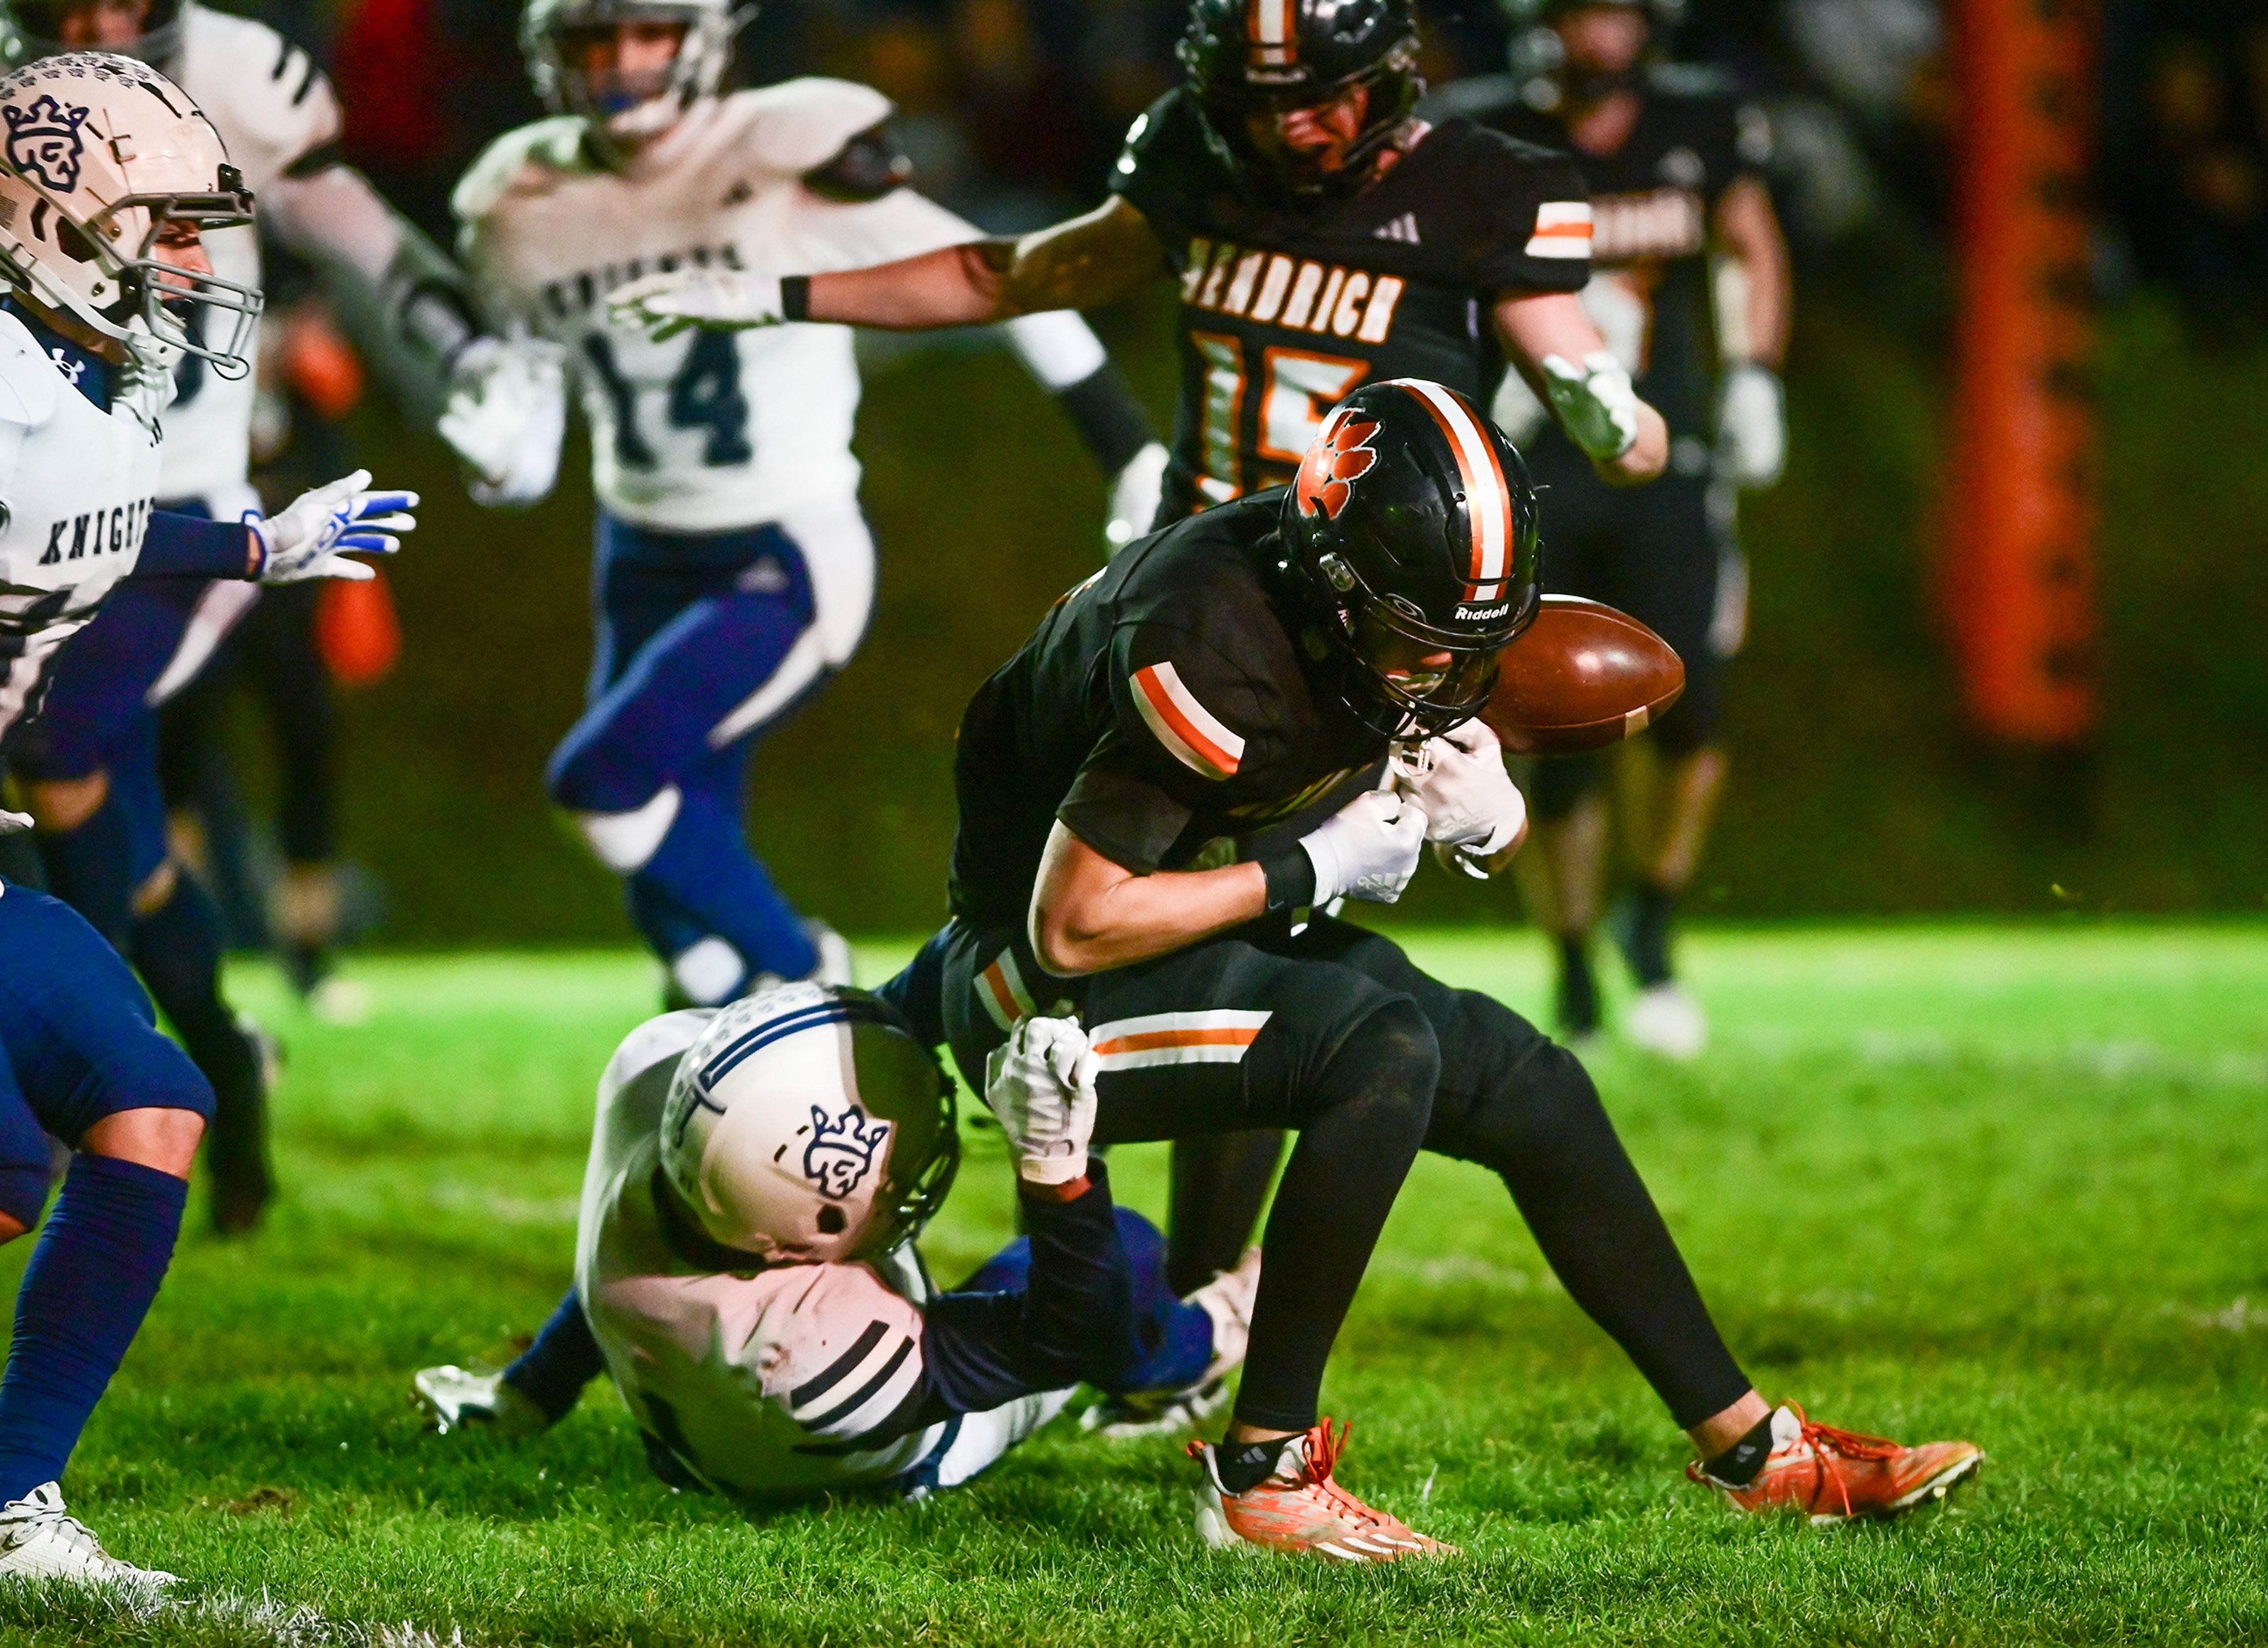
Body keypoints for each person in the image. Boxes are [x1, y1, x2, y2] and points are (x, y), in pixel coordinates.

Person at [601, 0, 1677, 1318]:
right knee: (1127, 930)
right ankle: (1135, 1281)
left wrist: (1614, 416)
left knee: (1268, 951)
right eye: (1262, 97)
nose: (1294, 126)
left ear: (1391, 77)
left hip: (1358, 641)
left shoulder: (1481, 190)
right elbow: (1014, 273)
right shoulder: (1195, 158)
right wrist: (772, 296)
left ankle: (1180, 1294)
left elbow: (1615, 420)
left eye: (1325, 94)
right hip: (1198, 601)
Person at [903, 377, 1979, 1560]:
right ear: (1338, 585)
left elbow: (1426, 733)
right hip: (1028, 995)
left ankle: (1755, 1450)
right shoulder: (1213, 644)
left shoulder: (1373, 600)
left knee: (1531, 1084)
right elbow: (1076, 923)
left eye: (1476, 641)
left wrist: (1493, 823)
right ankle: (1265, 1475)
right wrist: (1308, 869)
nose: (1445, 671)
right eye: (1423, 642)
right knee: (1381, 1048)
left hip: (1178, 938)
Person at [0, 52, 417, 1584]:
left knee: (151, 1103)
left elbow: (78, 519)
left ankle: (0, 1515)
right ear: (52, 224)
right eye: (161, 226)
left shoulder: (80, 390)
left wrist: (254, 538)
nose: (192, 261)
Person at [0, 0, 523, 1231]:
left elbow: (363, 238)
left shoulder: (242, 76)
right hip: (34, 494)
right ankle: (220, 1080)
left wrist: (467, 358)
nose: (95, 22)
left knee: (55, 743)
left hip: (176, 513)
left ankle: (94, 1080)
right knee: (109, 824)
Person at [436, 0, 1169, 1012]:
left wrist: (1125, 442)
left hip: (783, 545)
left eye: (646, 32)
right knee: (673, 913)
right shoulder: (519, 195)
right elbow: (532, 406)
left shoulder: (788, 150)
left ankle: (812, 982)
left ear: (700, 38)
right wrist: (503, 450)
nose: (620, 62)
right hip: (637, 548)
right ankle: (729, 1062)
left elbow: (1002, 276)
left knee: (605, 788)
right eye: (592, 39)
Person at [412, 983, 1263, 1500]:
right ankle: (1201, 1350)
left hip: (681, 1415)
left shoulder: (660, 1086)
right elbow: (1078, 1329)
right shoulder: (813, 1353)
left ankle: (522, 1397)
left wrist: (532, 1390)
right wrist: (1056, 1168)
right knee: (1123, 1246)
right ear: (806, 1239)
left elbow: (612, 1274)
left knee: (640, 1255)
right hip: (872, 1452)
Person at [1433, 0, 1791, 1056]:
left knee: (1696, 709)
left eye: (1617, 12)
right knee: (1558, 728)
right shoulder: (1483, 134)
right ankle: (1576, 960)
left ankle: (1657, 920)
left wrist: (1758, 377)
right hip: (1533, 459)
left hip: (1663, 454)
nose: (1601, 35)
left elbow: (1752, 246)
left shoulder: (1699, 120)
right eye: (1582, 12)